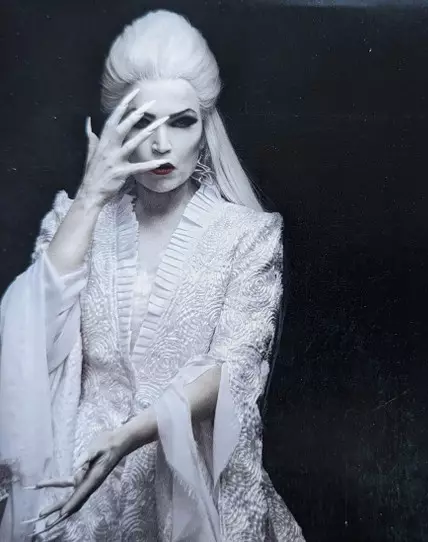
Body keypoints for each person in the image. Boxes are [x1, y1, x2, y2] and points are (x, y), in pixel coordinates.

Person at [0, 10, 304, 542]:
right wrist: (90, 197)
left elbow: (234, 370)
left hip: (185, 482)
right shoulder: (76, 221)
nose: (162, 144)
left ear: (205, 130)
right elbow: (30, 336)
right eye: (142, 122)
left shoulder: (248, 235)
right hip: (76, 478)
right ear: (116, 130)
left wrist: (129, 436)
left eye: (182, 122)